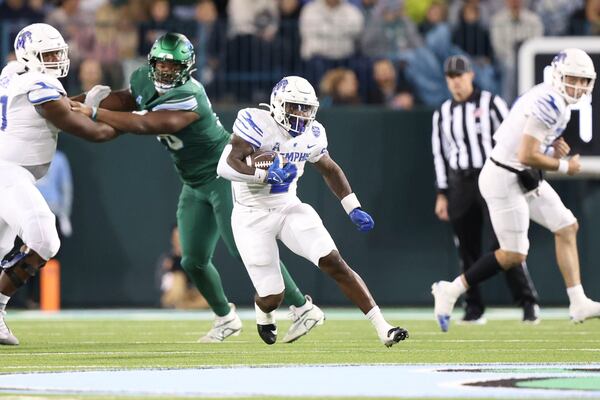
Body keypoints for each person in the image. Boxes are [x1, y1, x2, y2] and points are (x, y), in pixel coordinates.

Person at [70, 32, 324, 344]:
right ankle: (225, 318)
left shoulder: (191, 94)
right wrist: (75, 102)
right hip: (192, 182)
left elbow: (147, 123)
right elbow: (128, 98)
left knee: (243, 248)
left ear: (187, 67)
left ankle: (302, 307)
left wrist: (94, 112)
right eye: (160, 63)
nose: (165, 70)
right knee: (192, 260)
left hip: (222, 177)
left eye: (173, 65)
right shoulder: (142, 77)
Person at [216, 75, 409, 347]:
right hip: (251, 215)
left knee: (334, 261)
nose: (300, 114)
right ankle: (263, 310)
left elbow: (329, 168)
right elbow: (224, 167)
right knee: (273, 296)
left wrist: (352, 206)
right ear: (278, 104)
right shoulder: (257, 122)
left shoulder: (313, 133)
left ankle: (383, 328)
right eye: (294, 106)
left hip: (287, 207)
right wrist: (262, 175)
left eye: (306, 108)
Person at [432, 48, 600, 332]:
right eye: (573, 78)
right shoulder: (549, 102)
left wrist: (549, 148)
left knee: (567, 226)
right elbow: (525, 154)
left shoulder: (549, 97)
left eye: (584, 80)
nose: (579, 86)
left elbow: (514, 137)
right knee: (513, 254)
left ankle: (578, 301)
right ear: (559, 76)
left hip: (522, 175)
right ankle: (450, 290)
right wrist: (563, 166)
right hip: (504, 177)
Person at [0, 23, 119, 345]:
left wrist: (84, 101)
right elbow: (88, 131)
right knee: (44, 240)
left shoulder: (13, 71)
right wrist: (131, 122)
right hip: (10, 173)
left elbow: (54, 107)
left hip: (9, 171)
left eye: (58, 53)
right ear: (30, 56)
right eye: (47, 54)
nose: (55, 60)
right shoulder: (38, 84)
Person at [432, 55, 539, 324]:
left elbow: (514, 136)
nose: (456, 82)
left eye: (460, 76)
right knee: (466, 248)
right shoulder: (443, 112)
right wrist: (442, 193)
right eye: (451, 78)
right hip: (461, 183)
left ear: (471, 76)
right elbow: (440, 154)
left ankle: (528, 303)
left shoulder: (491, 103)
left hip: (493, 177)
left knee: (506, 243)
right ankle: (474, 308)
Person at [157, 225, 208, 309]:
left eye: (181, 237)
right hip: (173, 292)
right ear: (172, 239)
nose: (179, 240)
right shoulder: (167, 259)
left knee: (206, 299)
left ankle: (183, 306)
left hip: (191, 293)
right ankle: (180, 305)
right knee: (178, 278)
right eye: (176, 237)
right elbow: (160, 283)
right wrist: (167, 269)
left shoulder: (193, 258)